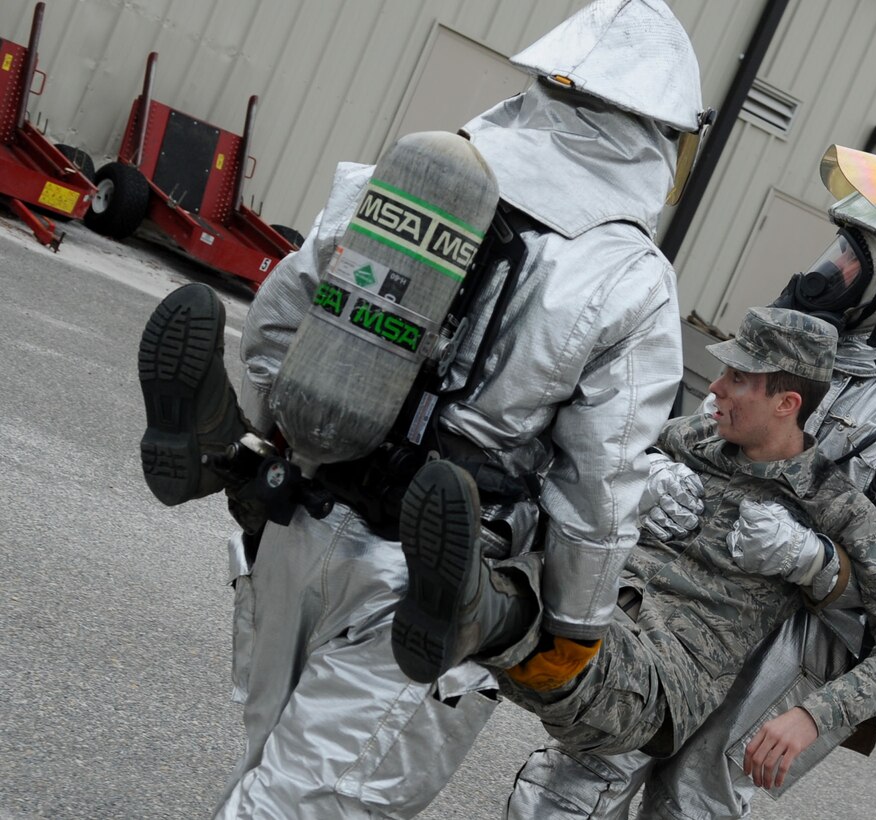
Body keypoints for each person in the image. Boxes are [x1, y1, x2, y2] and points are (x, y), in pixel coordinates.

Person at [135, 1, 710, 817]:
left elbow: (278, 323)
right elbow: (600, 485)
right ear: (662, 136)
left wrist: (275, 420)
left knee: (271, 764)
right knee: (314, 802)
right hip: (435, 585)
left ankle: (226, 446)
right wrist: (574, 627)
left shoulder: (412, 175)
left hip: (297, 517)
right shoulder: (630, 278)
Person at [507, 146, 876, 818]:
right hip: (694, 602)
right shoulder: (783, 346)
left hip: (795, 649)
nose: (829, 270)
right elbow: (677, 437)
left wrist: (813, 561)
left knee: (689, 803)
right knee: (580, 772)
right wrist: (655, 476)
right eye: (838, 249)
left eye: (851, 257)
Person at [393, 305, 876, 787]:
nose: (715, 388)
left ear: (786, 403)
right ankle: (475, 601)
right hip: (596, 597)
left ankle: (479, 609)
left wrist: (817, 714)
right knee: (551, 579)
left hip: (661, 677)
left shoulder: (836, 507)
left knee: (575, 636)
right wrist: (644, 472)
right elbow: (585, 452)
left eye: (737, 378)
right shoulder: (690, 439)